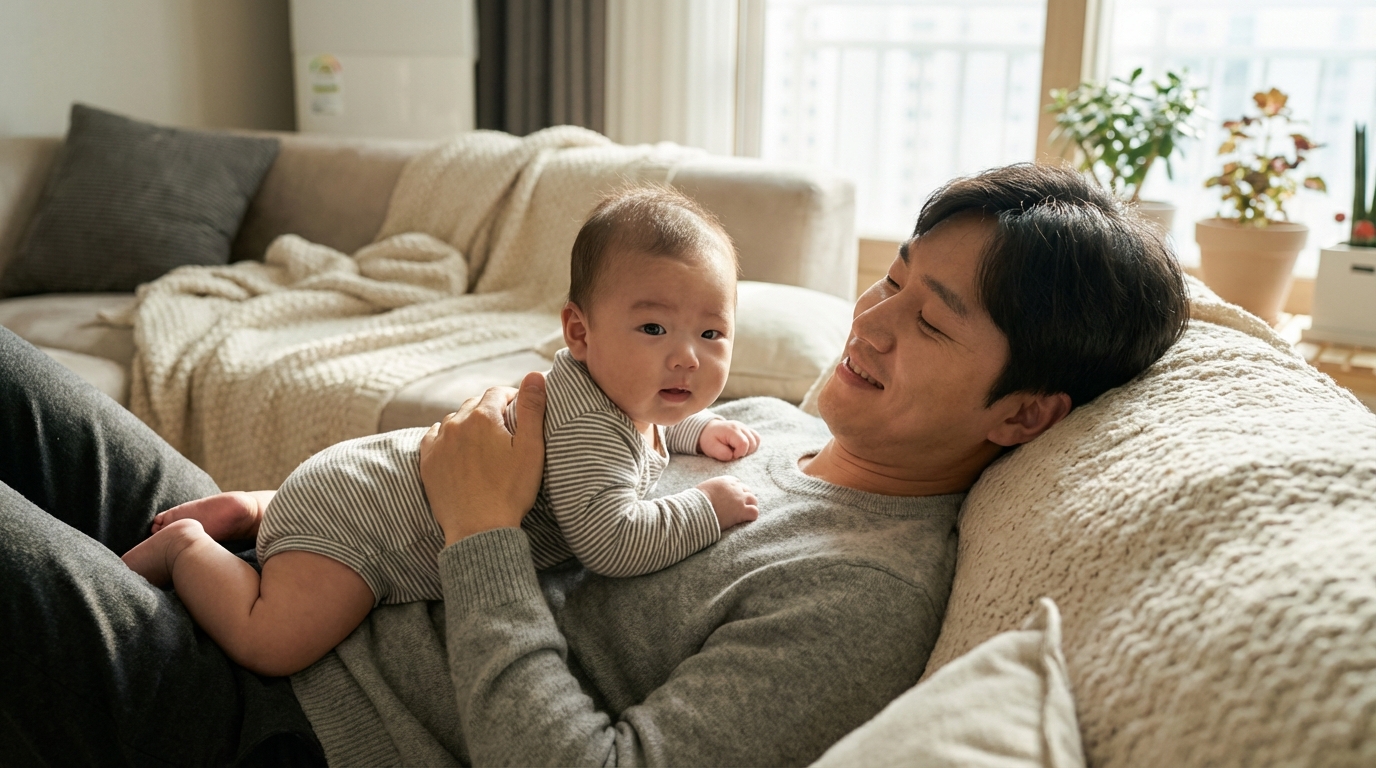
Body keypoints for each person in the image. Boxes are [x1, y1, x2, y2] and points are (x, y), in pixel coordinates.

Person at [0, 163, 1188, 766]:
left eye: (930, 323)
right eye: (889, 279)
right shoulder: (769, 425)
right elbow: (554, 464)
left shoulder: (857, 598)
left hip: (288, 712)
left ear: (1024, 414)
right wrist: (317, 507)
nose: (869, 324)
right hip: (331, 560)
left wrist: (477, 541)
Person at [117, 187, 763, 677]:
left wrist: (696, 428)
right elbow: (613, 541)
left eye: (711, 333)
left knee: (295, 553)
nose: (686, 358)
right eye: (653, 328)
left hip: (362, 481)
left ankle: (257, 509)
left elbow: (653, 417)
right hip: (363, 530)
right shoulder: (591, 430)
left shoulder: (615, 395)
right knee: (273, 641)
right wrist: (704, 509)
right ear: (579, 333)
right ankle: (189, 548)